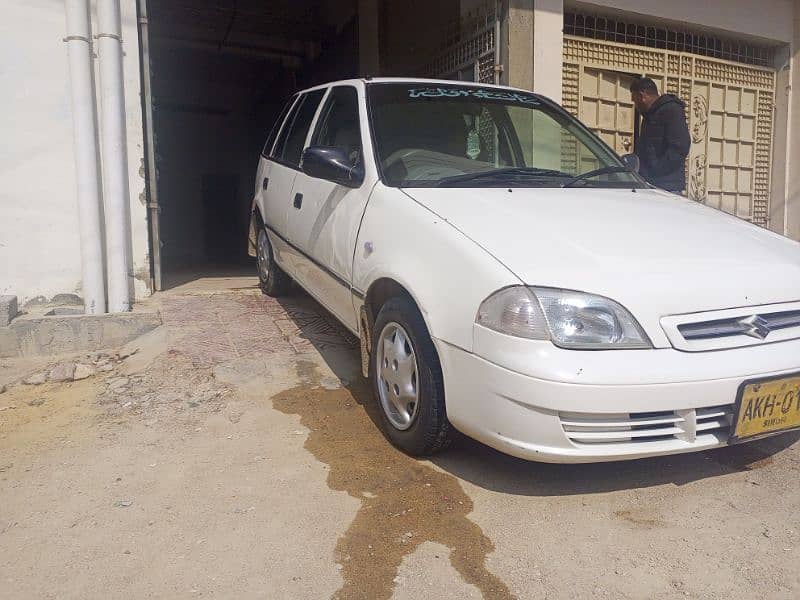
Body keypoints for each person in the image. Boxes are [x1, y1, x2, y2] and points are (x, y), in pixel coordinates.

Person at [629, 77, 690, 193]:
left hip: (668, 186)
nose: (635, 105)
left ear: (642, 96)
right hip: (650, 183)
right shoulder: (649, 115)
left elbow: (680, 147)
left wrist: (657, 169)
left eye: (635, 100)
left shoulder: (671, 110)